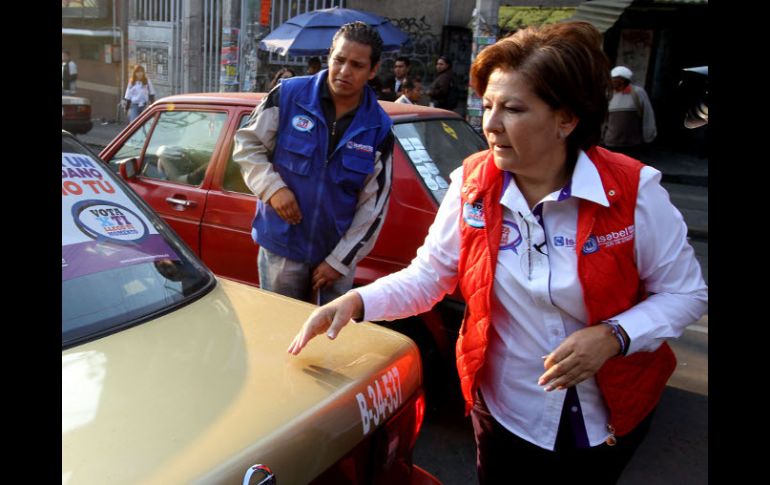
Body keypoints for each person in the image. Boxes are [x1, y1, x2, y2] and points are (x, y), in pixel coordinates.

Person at [287, 21, 707, 484]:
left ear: (565, 120)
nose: (490, 124)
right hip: (504, 412)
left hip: (605, 417)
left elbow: (685, 293)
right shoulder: (471, 183)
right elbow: (431, 275)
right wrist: (358, 301)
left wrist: (614, 336)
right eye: (487, 106)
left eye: (512, 108)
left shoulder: (632, 190)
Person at [233, 21, 395, 306]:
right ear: (329, 56)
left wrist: (338, 261)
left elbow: (374, 207)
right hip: (281, 250)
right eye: (339, 60)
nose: (345, 71)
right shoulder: (287, 96)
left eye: (357, 65)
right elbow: (247, 145)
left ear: (373, 70)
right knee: (278, 332)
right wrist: (272, 189)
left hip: (334, 260)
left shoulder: (379, 129)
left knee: (327, 342)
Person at [602, 66, 657, 158]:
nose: (612, 82)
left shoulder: (638, 93)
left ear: (623, 80)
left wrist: (648, 137)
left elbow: (648, 116)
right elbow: (604, 119)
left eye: (615, 79)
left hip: (632, 145)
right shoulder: (609, 94)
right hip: (610, 144)